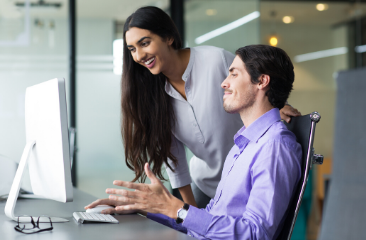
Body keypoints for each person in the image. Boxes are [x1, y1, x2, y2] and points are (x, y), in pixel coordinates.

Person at [90, 6, 301, 209]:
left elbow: (251, 85)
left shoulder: (215, 60)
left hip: (244, 182)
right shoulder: (154, 94)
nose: (138, 56)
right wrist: (188, 210)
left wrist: (275, 107)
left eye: (144, 43)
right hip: (205, 184)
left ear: (168, 37)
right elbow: (173, 157)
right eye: (132, 49)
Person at [87, 45, 302, 240]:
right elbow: (208, 220)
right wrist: (146, 206)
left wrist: (178, 210)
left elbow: (256, 235)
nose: (224, 83)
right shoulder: (243, 144)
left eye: (234, 74)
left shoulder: (275, 147)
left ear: (262, 82)